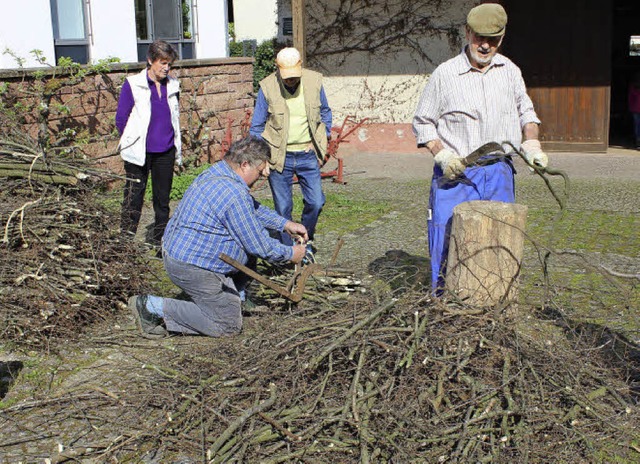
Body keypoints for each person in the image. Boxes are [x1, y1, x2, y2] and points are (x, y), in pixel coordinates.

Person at [412, 3, 548, 293]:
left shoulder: (510, 71)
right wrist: (441, 154)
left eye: (493, 39)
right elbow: (423, 122)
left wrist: (532, 142)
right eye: (479, 38)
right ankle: (442, 301)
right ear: (467, 32)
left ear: (502, 37)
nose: (485, 46)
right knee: (447, 239)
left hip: (499, 172)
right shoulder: (445, 74)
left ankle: (495, 304)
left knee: (500, 238)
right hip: (457, 173)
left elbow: (527, 113)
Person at [128, 137, 308, 338]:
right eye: (260, 170)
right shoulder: (232, 193)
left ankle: (236, 298)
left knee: (245, 246)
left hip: (182, 252)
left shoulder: (220, 171)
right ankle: (150, 306)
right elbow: (260, 246)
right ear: (245, 164)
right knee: (227, 325)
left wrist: (284, 224)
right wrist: (291, 253)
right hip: (191, 265)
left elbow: (251, 208)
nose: (265, 174)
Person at [249, 47, 332, 255]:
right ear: (278, 69)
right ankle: (288, 252)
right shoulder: (267, 87)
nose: (291, 81)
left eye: (295, 77)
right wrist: (262, 158)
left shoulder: (314, 82)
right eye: (287, 78)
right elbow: (257, 127)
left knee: (316, 201)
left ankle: (305, 239)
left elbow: (325, 112)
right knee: (283, 208)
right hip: (279, 156)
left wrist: (321, 141)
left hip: (307, 154)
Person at [116, 40, 181, 246]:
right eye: (162, 63)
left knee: (162, 201)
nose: (166, 68)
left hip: (165, 151)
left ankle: (159, 241)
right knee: (133, 198)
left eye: (169, 63)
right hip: (139, 152)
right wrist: (132, 141)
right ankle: (125, 242)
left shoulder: (173, 85)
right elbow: (121, 118)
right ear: (150, 60)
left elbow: (174, 117)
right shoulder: (133, 84)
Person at [628, 72, 640, 149]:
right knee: (637, 126)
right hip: (636, 110)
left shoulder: (633, 88)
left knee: (637, 126)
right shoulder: (633, 88)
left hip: (635, 109)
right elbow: (630, 99)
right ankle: (638, 142)